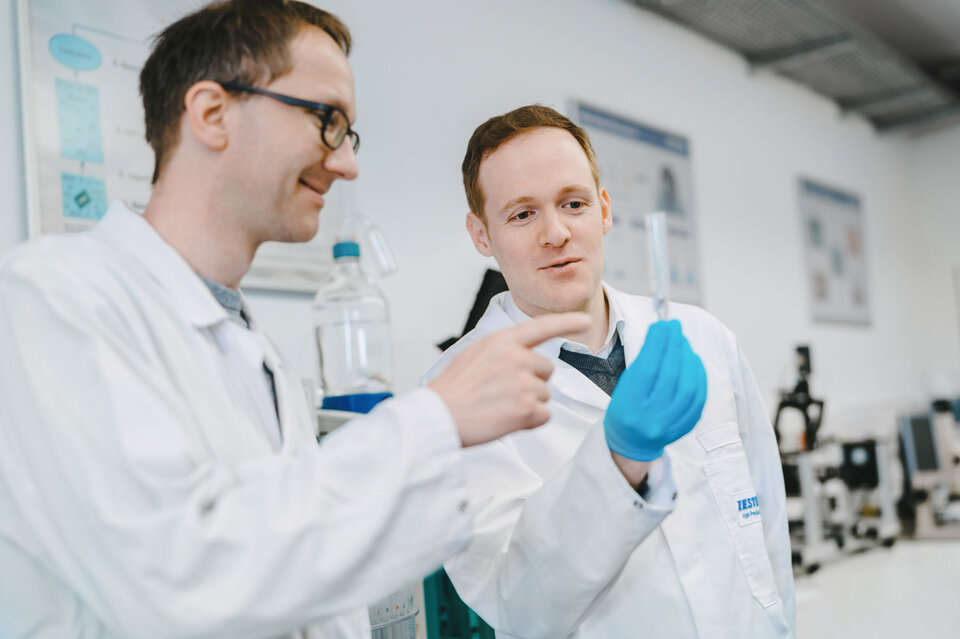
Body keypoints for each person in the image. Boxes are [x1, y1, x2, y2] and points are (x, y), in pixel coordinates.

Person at [0, 4, 590, 638]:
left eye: (348, 134)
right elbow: (176, 581)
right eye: (327, 121)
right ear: (211, 113)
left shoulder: (255, 354)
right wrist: (434, 422)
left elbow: (304, 584)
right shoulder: (54, 297)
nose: (346, 164)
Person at [423, 105, 796, 639]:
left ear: (603, 209)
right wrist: (617, 461)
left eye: (572, 203)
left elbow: (770, 530)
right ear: (481, 234)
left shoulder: (702, 338)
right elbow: (516, 604)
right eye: (522, 214)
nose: (556, 233)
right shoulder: (452, 393)